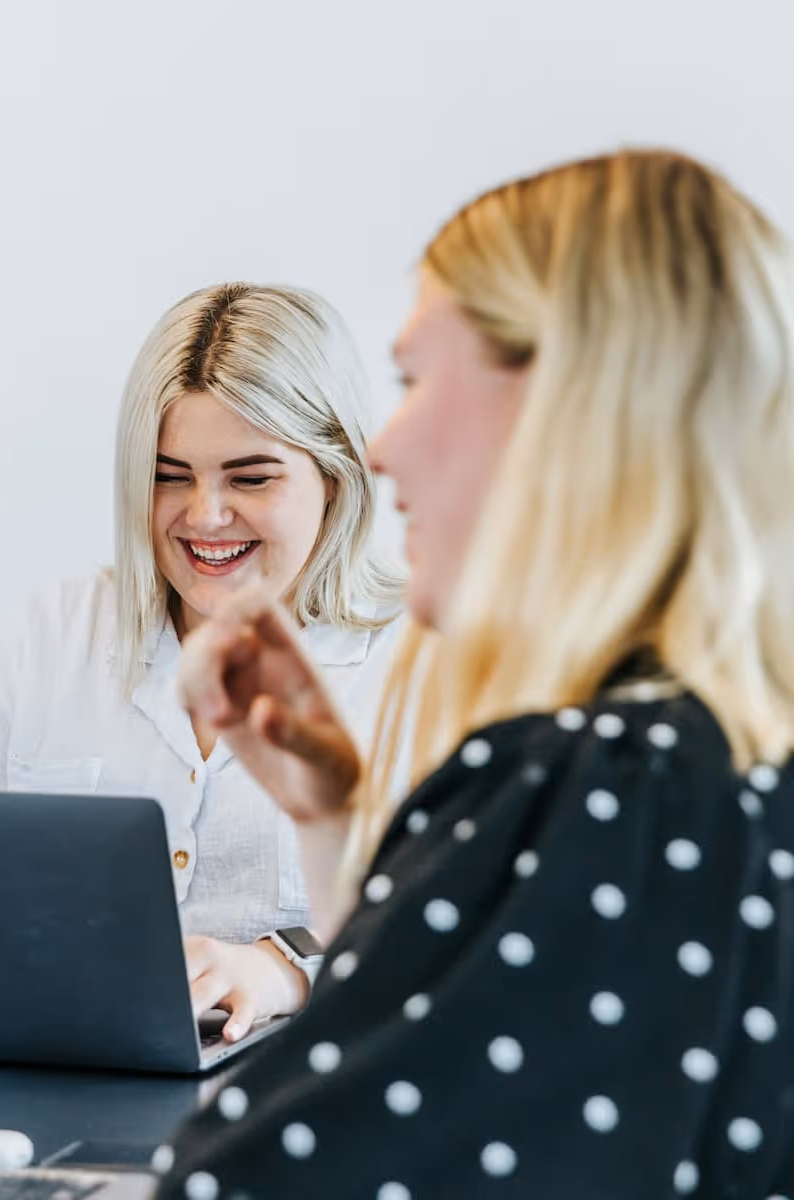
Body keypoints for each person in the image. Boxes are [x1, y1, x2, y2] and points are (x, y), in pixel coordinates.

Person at [158, 150, 794, 1198]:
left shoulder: (599, 789)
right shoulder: (721, 765)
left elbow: (258, 1183)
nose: (380, 448)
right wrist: (332, 819)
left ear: (565, 406)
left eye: (412, 381)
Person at [0, 283, 403, 1039]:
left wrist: (288, 965)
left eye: (250, 477)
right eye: (170, 475)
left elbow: (462, 924)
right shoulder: (56, 632)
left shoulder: (421, 660)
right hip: (56, 1070)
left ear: (335, 477)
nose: (203, 515)